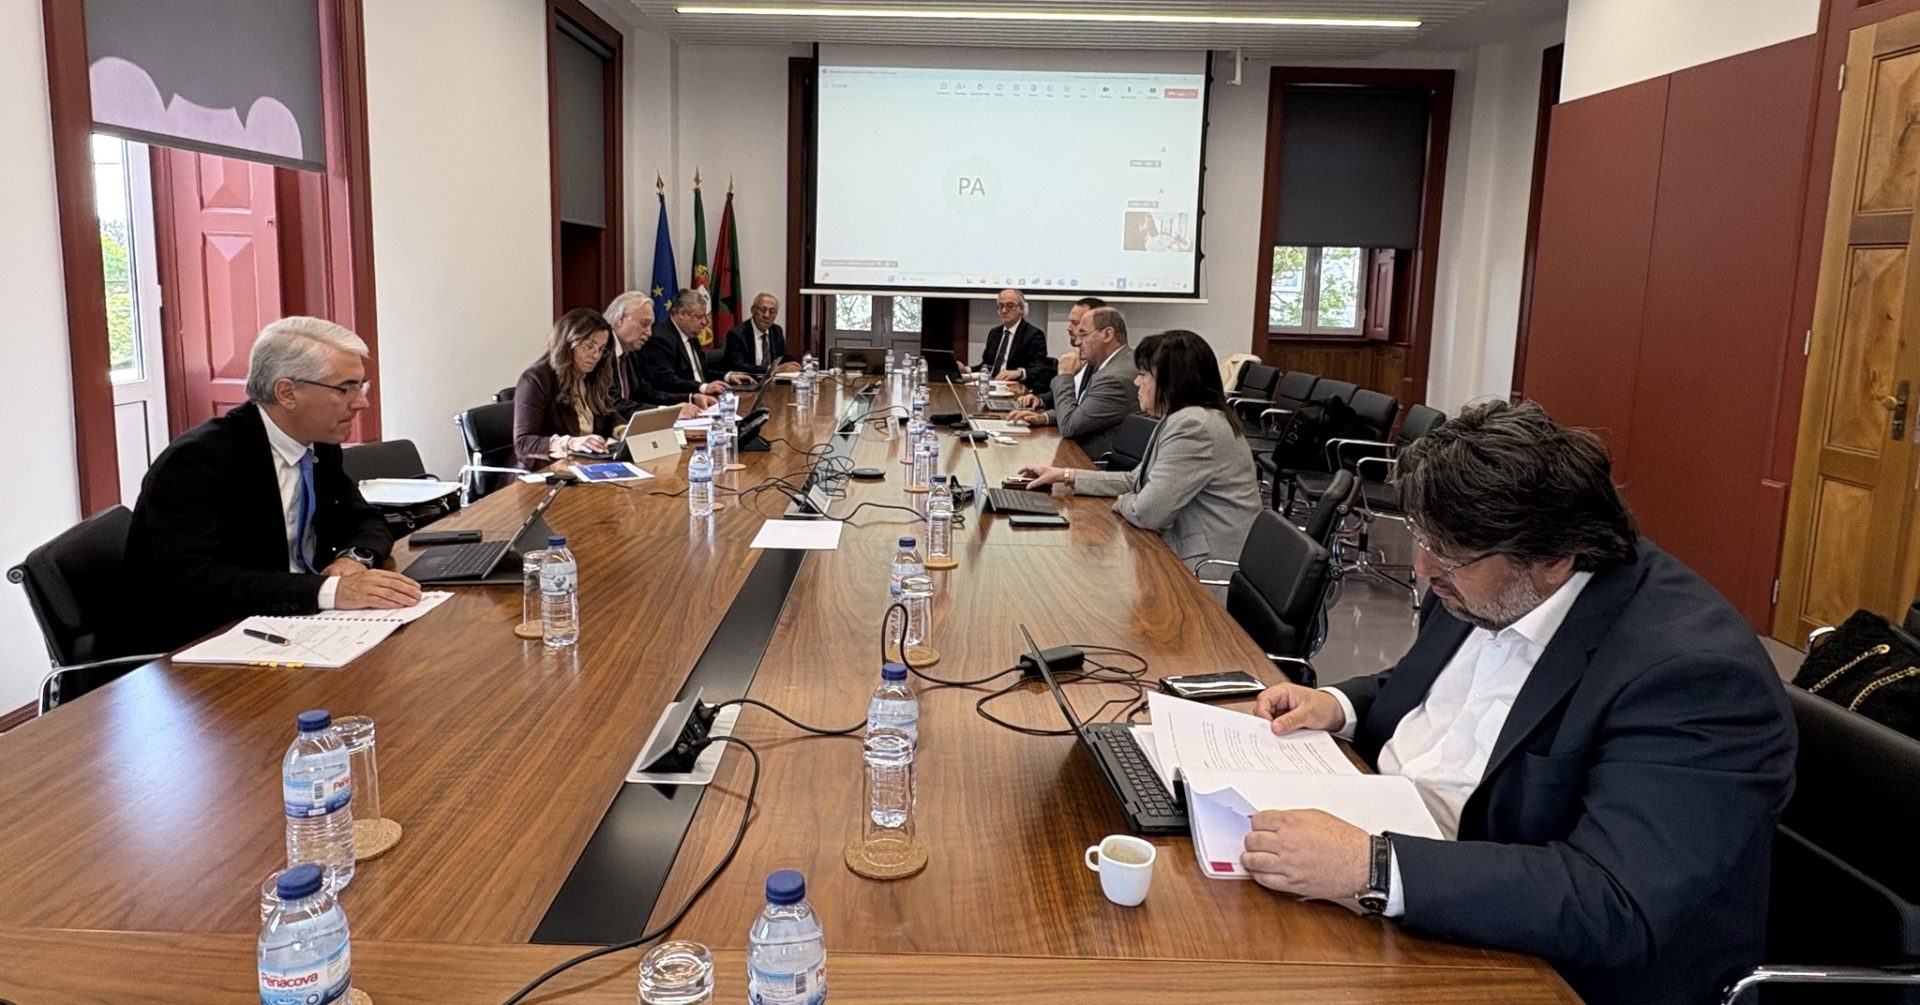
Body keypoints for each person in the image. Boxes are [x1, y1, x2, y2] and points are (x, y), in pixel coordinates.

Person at [1242, 400, 1795, 1005]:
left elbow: (1614, 901)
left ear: (1554, 560)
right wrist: (1338, 705)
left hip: (1540, 966)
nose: (1424, 570)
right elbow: (1429, 688)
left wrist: (1373, 867)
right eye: (1423, 540)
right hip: (1404, 883)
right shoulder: (1483, 581)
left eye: (1447, 555)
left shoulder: (1694, 680)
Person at [126, 317, 421, 653]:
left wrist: (355, 558)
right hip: (210, 642)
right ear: (287, 393)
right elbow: (197, 581)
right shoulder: (196, 462)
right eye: (345, 388)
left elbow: (365, 520)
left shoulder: (317, 444)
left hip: (301, 624)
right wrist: (329, 591)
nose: (360, 402)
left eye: (360, 386)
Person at [1019, 330, 1257, 571]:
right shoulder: (1184, 417)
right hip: (1177, 548)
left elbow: (1146, 512)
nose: (1136, 382)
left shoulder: (1193, 425)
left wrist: (1124, 501)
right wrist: (1065, 475)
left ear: (1172, 381)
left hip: (1204, 568)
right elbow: (1136, 479)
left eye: (1143, 374)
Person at [1006, 305, 1140, 460]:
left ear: (1107, 334)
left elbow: (1070, 426)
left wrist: (1065, 375)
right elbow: (1085, 411)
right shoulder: (1111, 363)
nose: (1077, 342)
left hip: (1092, 461)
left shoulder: (1114, 377)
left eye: (1084, 334)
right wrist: (1045, 417)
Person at [512, 309, 621, 470]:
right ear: (567, 343)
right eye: (589, 346)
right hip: (544, 471)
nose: (596, 356)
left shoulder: (590, 376)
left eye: (601, 349)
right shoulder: (536, 379)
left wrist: (624, 430)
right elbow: (523, 443)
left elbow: (609, 415)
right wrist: (571, 443)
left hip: (584, 465)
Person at [605, 291, 707, 419]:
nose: (649, 333)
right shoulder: (602, 353)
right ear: (619, 321)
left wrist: (691, 398)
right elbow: (613, 404)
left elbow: (646, 394)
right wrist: (667, 413)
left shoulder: (631, 353)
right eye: (644, 324)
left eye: (650, 326)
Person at [639, 288, 754, 398]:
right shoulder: (660, 339)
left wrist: (728, 376)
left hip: (703, 398)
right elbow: (666, 381)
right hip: (682, 401)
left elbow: (701, 372)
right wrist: (703, 387)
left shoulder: (691, 336)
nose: (705, 322)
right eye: (700, 317)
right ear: (682, 314)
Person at [1017, 296, 1104, 410]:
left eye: (1075, 323)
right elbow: (1070, 393)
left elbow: (1079, 411)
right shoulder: (1084, 356)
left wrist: (1065, 376)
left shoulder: (1102, 366)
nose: (1069, 328)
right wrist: (1040, 400)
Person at [979, 288, 1048, 382]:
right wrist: (967, 370)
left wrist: (1019, 372)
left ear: (1021, 309)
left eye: (1010, 306)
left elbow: (1040, 368)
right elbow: (986, 365)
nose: (1004, 311)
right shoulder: (994, 333)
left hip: (1015, 384)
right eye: (1001, 306)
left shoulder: (1034, 335)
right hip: (991, 383)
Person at [723, 292, 791, 378]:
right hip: (747, 381)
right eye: (762, 310)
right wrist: (770, 369)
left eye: (772, 312)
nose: (766, 315)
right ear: (753, 310)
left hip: (772, 381)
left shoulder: (776, 331)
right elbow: (736, 366)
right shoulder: (737, 334)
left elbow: (781, 359)